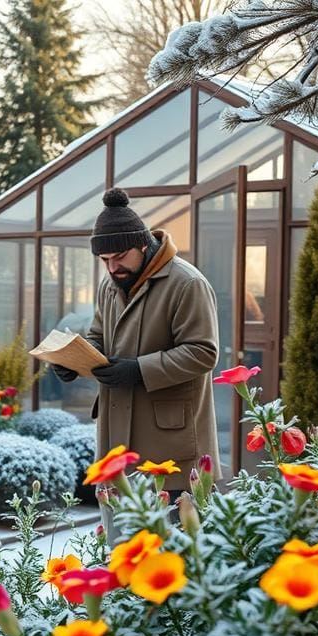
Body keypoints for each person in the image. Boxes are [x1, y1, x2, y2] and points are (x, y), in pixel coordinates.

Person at [53, 187, 220, 507]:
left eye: (120, 257)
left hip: (170, 447)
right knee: (122, 548)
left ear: (143, 244)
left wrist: (139, 369)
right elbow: (98, 336)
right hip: (115, 443)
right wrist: (73, 362)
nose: (113, 268)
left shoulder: (188, 284)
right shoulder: (110, 284)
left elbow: (203, 352)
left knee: (177, 548)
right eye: (105, 260)